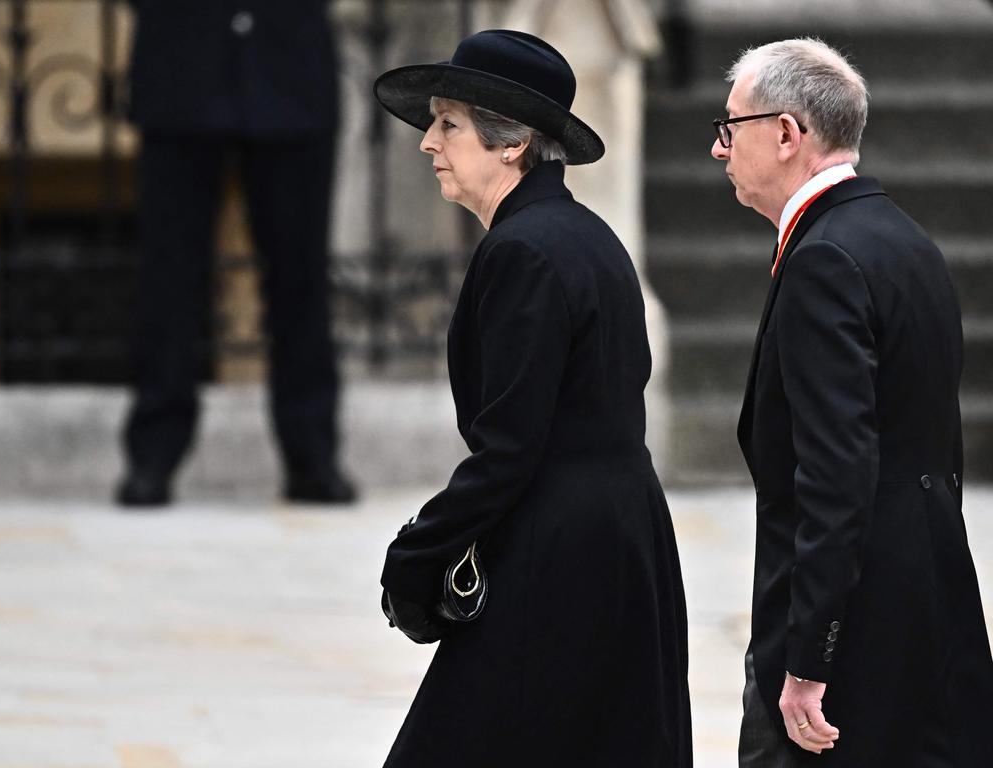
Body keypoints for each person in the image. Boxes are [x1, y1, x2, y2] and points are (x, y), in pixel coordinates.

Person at [373, 29, 691, 767]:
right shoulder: (586, 236)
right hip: (620, 533)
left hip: (560, 550)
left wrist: (415, 554)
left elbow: (511, 445)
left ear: (510, 145)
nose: (429, 142)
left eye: (448, 124)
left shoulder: (524, 250)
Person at [712, 38, 993, 766]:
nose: (718, 150)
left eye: (729, 127)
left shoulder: (825, 260)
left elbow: (836, 476)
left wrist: (809, 659)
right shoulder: (904, 239)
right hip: (929, 597)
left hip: (856, 632)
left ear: (784, 134)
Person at [117, 1, 355, 506]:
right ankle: (153, 455)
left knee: (301, 279)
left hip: (289, 65)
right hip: (181, 65)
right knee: (169, 275)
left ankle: (312, 455)